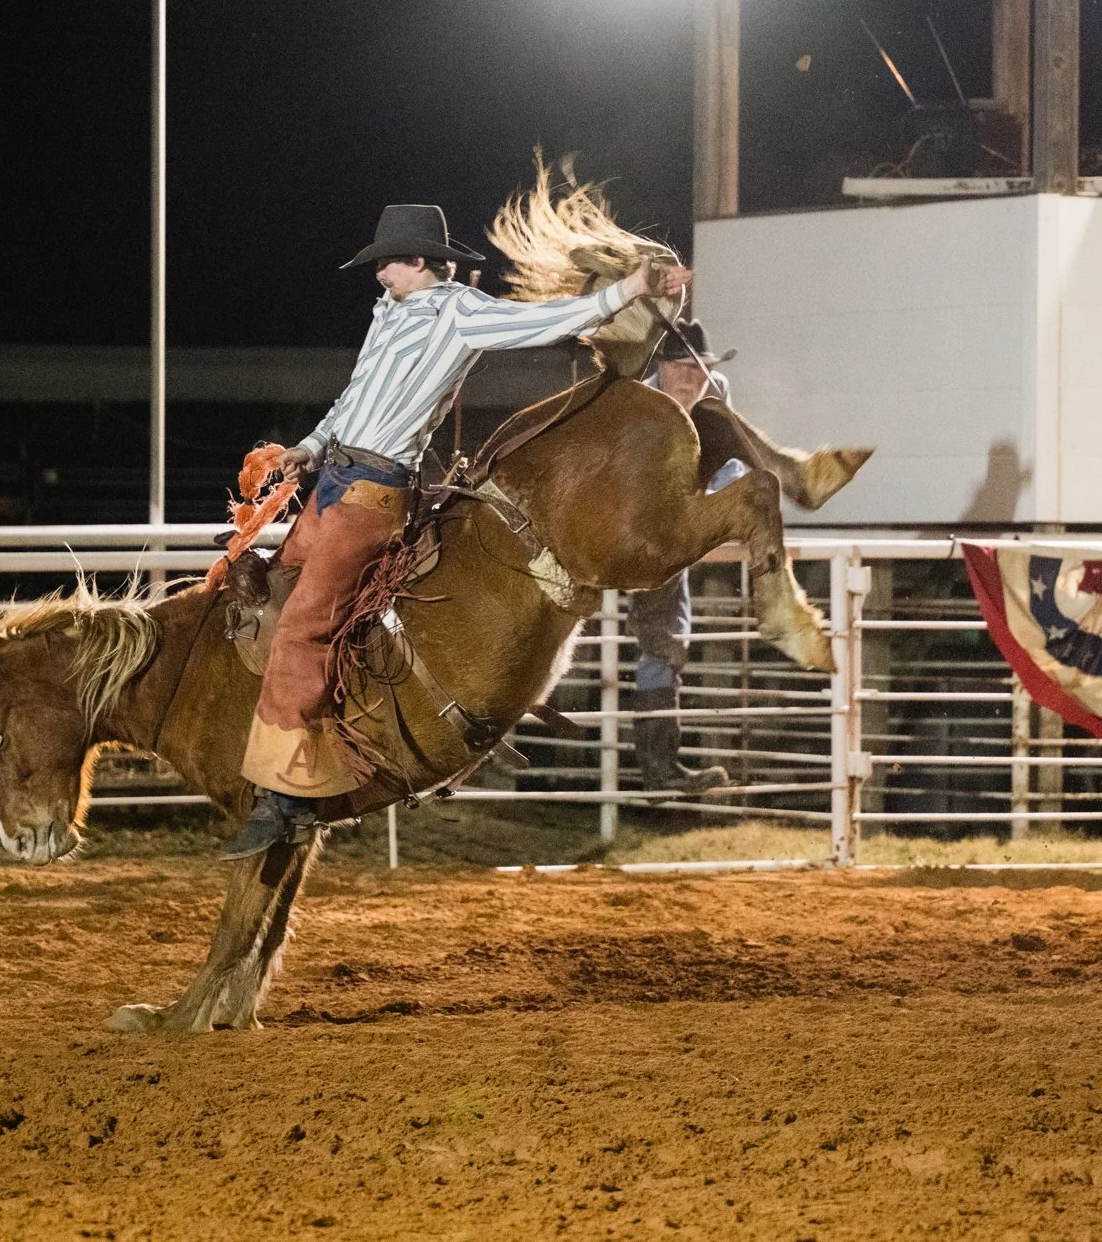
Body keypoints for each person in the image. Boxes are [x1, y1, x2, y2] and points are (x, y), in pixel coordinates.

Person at [223, 202, 690, 858]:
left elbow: (546, 320)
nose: (379, 273)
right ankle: (322, 736)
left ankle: (290, 797)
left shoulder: (458, 312)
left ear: (419, 262)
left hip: (373, 492)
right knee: (272, 592)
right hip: (335, 478)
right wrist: (309, 445)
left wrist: (630, 290)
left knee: (305, 623)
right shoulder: (389, 312)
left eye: (387, 261)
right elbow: (356, 394)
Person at [627, 321, 742, 794]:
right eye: (683, 367)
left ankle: (660, 766)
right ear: (662, 368)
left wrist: (723, 510)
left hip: (676, 523)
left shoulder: (716, 393)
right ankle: (658, 765)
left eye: (702, 368)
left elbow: (726, 455)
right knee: (663, 631)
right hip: (633, 518)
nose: (693, 377)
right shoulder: (637, 403)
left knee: (667, 635)